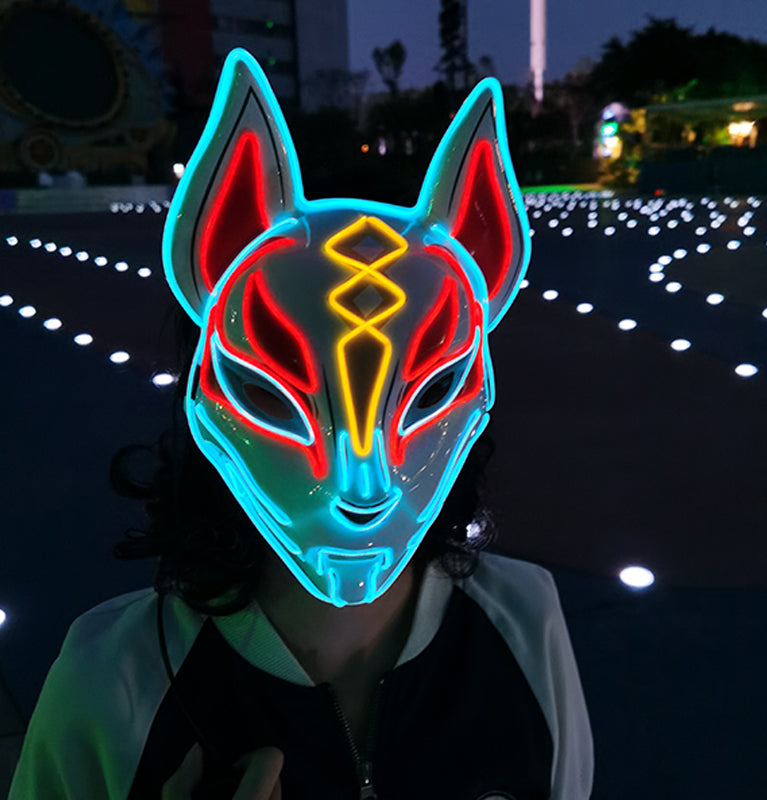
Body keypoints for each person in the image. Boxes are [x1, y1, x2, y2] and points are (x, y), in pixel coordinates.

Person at [9, 49, 592, 799]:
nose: (364, 489)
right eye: (273, 395)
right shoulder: (110, 682)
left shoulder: (526, 623)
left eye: (432, 391)